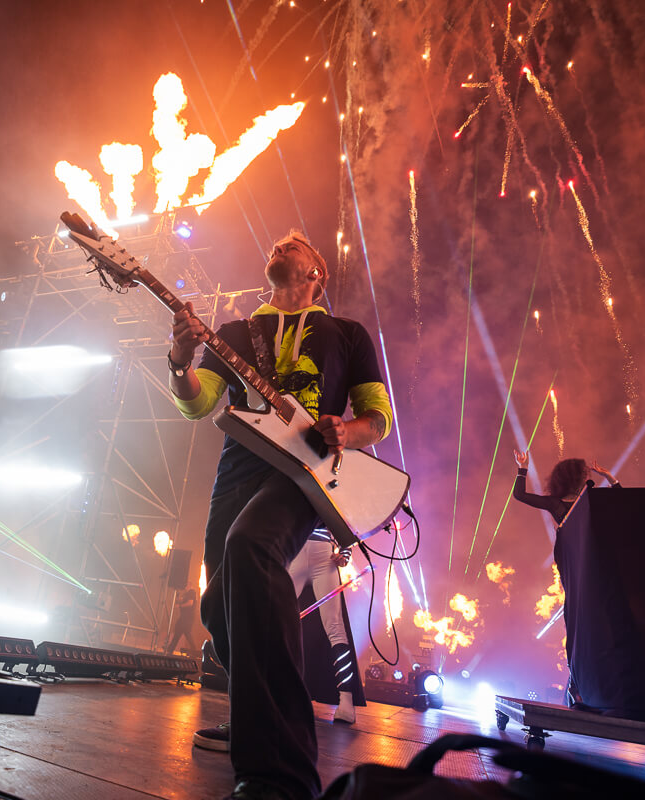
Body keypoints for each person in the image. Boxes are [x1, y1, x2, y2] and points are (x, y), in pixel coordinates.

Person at [168, 230, 393, 800]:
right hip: (238, 467)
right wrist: (179, 361)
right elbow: (197, 404)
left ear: (316, 269)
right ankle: (255, 718)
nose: (278, 246)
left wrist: (346, 431)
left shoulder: (347, 334)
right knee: (219, 602)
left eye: (293, 244)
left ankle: (280, 767)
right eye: (274, 245)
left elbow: (377, 417)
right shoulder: (236, 333)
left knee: (251, 545)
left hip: (304, 473)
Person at [287, 530, 363, 724]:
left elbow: (344, 523)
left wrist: (345, 553)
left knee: (335, 628)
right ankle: (271, 692)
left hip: (322, 556)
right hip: (297, 550)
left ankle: (346, 701)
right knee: (275, 624)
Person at [512, 450, 619, 523]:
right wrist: (523, 468)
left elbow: (621, 502)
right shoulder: (554, 503)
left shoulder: (590, 497)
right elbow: (519, 495)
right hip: (574, 549)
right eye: (583, 475)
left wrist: (609, 477)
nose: (586, 478)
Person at [164, 587, 198, 655]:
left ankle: (194, 650)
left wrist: (180, 606)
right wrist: (177, 596)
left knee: (185, 633)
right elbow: (180, 600)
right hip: (183, 617)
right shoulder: (185, 594)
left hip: (187, 618)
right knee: (178, 633)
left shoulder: (191, 592)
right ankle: (170, 649)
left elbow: (190, 603)